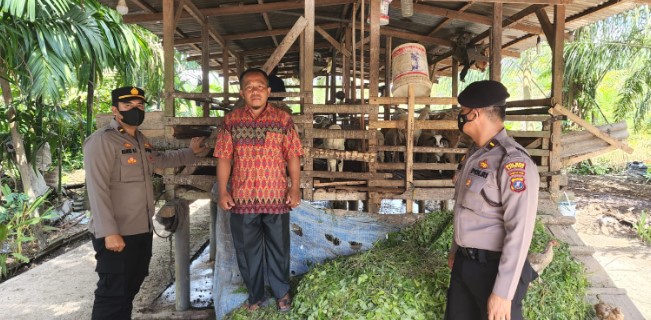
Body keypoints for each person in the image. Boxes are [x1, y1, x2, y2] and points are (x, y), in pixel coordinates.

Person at [84, 86, 207, 320]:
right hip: (116, 233)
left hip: (140, 229)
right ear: (114, 110)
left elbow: (159, 161)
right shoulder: (101, 142)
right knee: (112, 294)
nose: (135, 110)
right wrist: (109, 232)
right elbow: (97, 190)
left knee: (130, 288)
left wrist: (191, 152)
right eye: (128, 106)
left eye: (139, 106)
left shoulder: (139, 140)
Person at [444, 80, 539, 320]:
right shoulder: (475, 155)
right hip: (465, 266)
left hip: (495, 271)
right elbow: (464, 208)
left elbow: (520, 230)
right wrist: (456, 250)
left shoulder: (513, 162)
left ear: (474, 114)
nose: (460, 117)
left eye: (462, 112)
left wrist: (503, 292)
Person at [214, 68, 303, 312]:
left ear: (269, 91)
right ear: (242, 92)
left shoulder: (283, 120)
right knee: (246, 251)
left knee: (279, 248)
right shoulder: (231, 121)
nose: (255, 91)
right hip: (241, 199)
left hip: (276, 197)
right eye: (250, 87)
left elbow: (293, 155)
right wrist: (223, 190)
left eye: (260, 86)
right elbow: (224, 158)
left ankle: (282, 293)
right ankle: (256, 295)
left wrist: (294, 188)